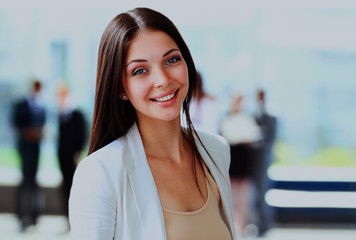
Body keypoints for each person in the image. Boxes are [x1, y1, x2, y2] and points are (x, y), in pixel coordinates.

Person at [69, 8, 237, 240]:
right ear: (120, 88)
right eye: (140, 70)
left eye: (172, 60)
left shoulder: (216, 151)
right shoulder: (100, 173)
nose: (163, 80)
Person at [220, 92, 262, 238]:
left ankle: (242, 226)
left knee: (245, 195)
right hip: (232, 157)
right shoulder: (226, 118)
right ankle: (233, 226)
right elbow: (228, 135)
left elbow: (253, 135)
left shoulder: (247, 118)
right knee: (232, 195)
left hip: (244, 158)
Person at [12, 80, 46, 231]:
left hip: (36, 148)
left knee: (34, 181)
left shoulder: (41, 107)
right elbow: (15, 123)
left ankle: (33, 216)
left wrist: (39, 133)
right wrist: (27, 132)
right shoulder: (21, 104)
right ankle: (21, 215)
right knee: (25, 181)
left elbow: (43, 125)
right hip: (25, 148)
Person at [57, 84, 87, 220]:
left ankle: (75, 216)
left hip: (73, 155)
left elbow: (82, 134)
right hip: (62, 154)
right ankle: (67, 217)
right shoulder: (60, 113)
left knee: (74, 184)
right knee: (65, 185)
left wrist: (79, 151)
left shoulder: (77, 113)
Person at [252, 88, 277, 237]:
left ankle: (265, 225)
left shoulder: (270, 116)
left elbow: (270, 140)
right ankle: (258, 223)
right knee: (254, 193)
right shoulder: (255, 115)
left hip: (263, 158)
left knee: (262, 191)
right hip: (253, 158)